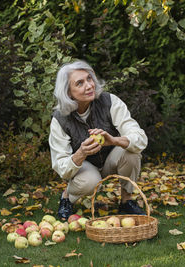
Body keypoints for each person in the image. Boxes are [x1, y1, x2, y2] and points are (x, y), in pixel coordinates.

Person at [49, 60, 148, 220]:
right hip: (84, 167)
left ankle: (126, 201)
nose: (89, 85)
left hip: (111, 159)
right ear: (68, 92)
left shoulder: (110, 101)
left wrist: (114, 140)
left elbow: (140, 139)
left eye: (89, 79)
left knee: (131, 152)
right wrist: (80, 153)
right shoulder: (60, 119)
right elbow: (61, 167)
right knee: (91, 181)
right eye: (80, 83)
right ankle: (67, 197)